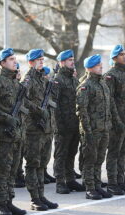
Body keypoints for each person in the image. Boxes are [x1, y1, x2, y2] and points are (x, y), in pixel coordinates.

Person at [0, 48, 27, 215]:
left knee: (12, 170)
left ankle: (9, 201)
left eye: (15, 59)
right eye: (10, 59)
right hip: (1, 134)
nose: (14, 61)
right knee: (2, 171)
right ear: (2, 63)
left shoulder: (15, 82)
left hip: (15, 133)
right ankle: (1, 204)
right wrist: (6, 118)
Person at [23, 49, 59, 211]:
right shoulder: (28, 79)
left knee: (42, 164)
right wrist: (38, 110)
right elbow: (22, 100)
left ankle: (41, 195)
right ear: (31, 62)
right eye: (38, 60)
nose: (41, 62)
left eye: (42, 60)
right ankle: (34, 198)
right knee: (33, 164)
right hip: (33, 128)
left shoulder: (43, 79)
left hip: (46, 128)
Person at [76, 54, 113, 200]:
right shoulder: (85, 86)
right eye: (98, 65)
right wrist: (88, 132)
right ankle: (90, 188)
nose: (101, 67)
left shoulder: (102, 83)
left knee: (99, 159)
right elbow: (82, 111)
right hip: (91, 130)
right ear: (90, 68)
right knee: (90, 160)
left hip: (103, 128)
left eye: (101, 65)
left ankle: (97, 185)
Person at [104, 45, 125, 195]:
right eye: (121, 55)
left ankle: (120, 180)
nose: (124, 56)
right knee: (114, 152)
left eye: (124, 54)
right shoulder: (111, 75)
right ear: (114, 58)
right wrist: (116, 121)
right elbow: (109, 100)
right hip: (118, 122)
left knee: (123, 152)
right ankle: (112, 183)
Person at [52, 49, 85, 194]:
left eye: (73, 59)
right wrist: (58, 125)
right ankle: (60, 182)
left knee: (71, 152)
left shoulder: (73, 79)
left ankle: (70, 179)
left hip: (74, 123)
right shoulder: (57, 80)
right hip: (62, 125)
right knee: (61, 154)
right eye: (69, 60)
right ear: (62, 62)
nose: (72, 62)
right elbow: (54, 105)